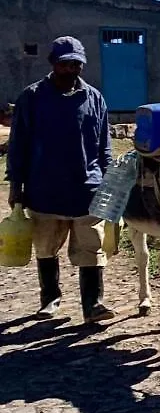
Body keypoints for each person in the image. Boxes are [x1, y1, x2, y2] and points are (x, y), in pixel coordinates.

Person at [6, 36, 117, 323]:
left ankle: (93, 304)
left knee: (91, 248)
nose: (71, 69)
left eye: (76, 64)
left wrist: (110, 182)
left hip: (87, 190)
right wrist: (16, 186)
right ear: (53, 64)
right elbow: (18, 145)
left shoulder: (94, 98)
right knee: (45, 247)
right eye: (65, 64)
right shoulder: (31, 98)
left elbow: (104, 145)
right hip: (44, 190)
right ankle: (50, 299)